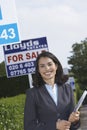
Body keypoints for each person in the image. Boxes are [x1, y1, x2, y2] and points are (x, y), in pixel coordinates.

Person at [24, 51, 80, 130]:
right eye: (42, 66)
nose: (47, 68)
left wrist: (75, 120)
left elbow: (73, 125)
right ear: (38, 70)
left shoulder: (67, 89)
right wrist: (54, 126)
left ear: (56, 66)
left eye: (50, 64)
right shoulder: (32, 93)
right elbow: (29, 127)